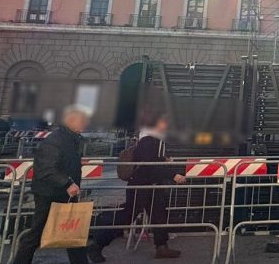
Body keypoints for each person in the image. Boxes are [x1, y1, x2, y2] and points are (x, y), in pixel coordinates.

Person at [88, 113, 186, 262]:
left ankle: (162, 247)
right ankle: (97, 244)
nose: (167, 125)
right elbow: (149, 165)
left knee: (158, 215)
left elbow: (151, 161)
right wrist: (173, 175)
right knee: (127, 216)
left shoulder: (153, 139)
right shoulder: (148, 140)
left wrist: (163, 160)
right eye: (164, 122)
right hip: (141, 186)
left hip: (150, 185)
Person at [13, 105, 91, 264]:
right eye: (82, 120)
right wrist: (68, 183)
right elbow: (46, 168)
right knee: (36, 234)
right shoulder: (56, 140)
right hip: (50, 194)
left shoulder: (69, 139)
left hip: (63, 193)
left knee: (72, 234)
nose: (85, 124)